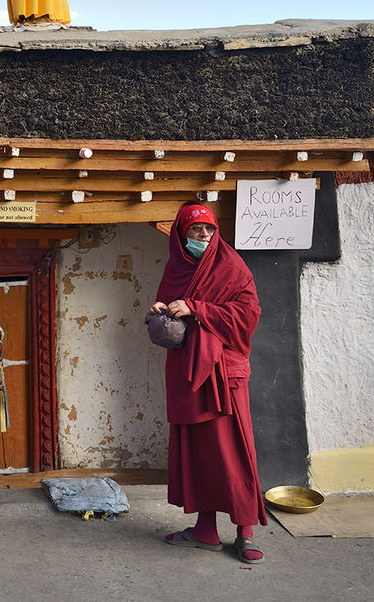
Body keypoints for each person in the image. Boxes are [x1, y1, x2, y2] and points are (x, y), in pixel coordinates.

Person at [149, 202, 267, 564]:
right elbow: (174, 307)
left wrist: (198, 309)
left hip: (224, 374)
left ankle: (245, 532)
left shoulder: (231, 267)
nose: (204, 236)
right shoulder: (176, 268)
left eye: (210, 229)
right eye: (196, 230)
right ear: (181, 234)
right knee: (199, 452)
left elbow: (248, 317)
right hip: (187, 371)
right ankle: (205, 530)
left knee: (234, 451)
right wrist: (163, 311)